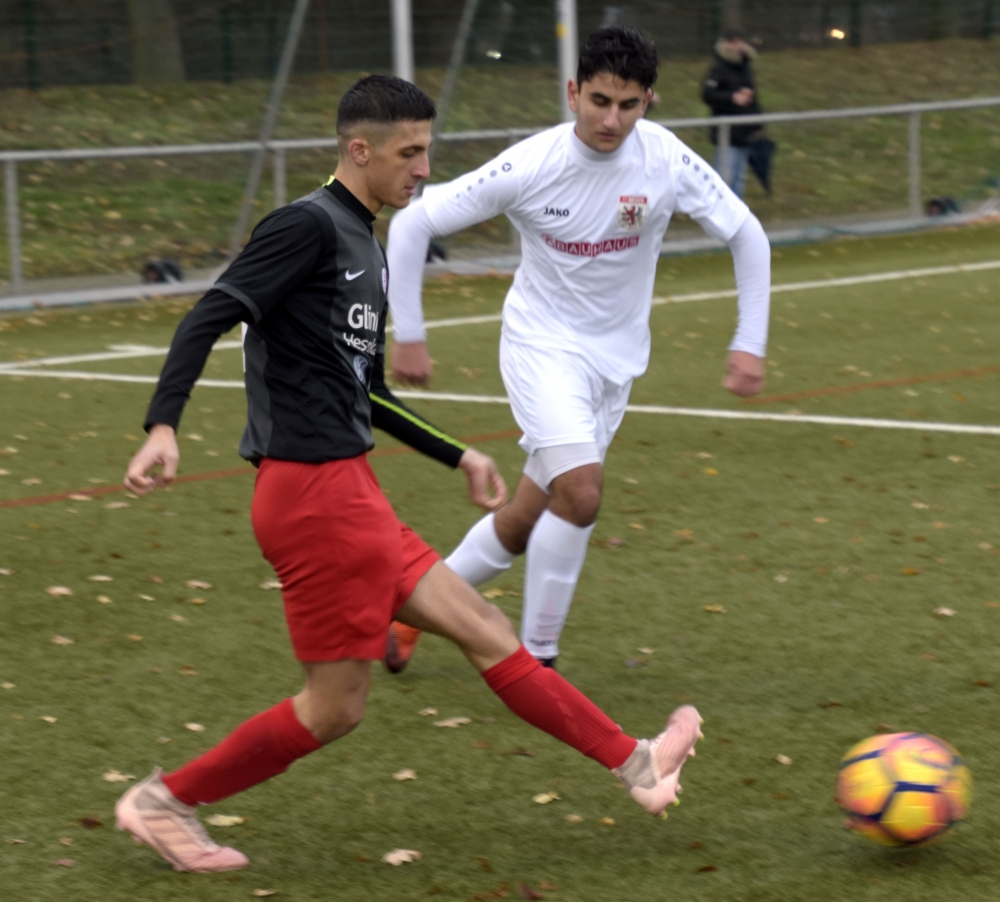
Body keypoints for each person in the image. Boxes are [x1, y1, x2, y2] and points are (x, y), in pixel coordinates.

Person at [114, 74, 703, 874]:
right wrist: (163, 425)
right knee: (334, 708)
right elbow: (210, 313)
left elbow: (369, 392)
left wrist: (458, 454)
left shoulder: (367, 241)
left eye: (427, 150)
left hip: (347, 489)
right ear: (360, 150)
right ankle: (163, 801)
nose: (423, 168)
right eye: (410, 152)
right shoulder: (307, 227)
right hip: (313, 497)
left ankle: (638, 764)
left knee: (485, 631)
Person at [384, 27, 770, 672]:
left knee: (523, 519)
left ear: (649, 100)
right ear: (572, 93)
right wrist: (411, 332)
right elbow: (414, 220)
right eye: (597, 101)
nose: (610, 119)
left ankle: (410, 609)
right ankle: (537, 662)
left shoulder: (666, 160)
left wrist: (749, 341)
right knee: (582, 494)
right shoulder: (533, 165)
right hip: (542, 349)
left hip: (615, 364)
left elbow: (746, 233)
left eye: (627, 105)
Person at [701, 28, 763, 199]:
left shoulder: (746, 68)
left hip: (744, 131)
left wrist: (758, 124)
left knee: (738, 178)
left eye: (739, 41)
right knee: (723, 177)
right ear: (725, 44)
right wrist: (732, 98)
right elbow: (707, 95)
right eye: (733, 41)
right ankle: (718, 211)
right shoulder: (718, 69)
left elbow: (753, 97)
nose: (737, 46)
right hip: (726, 132)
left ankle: (736, 215)